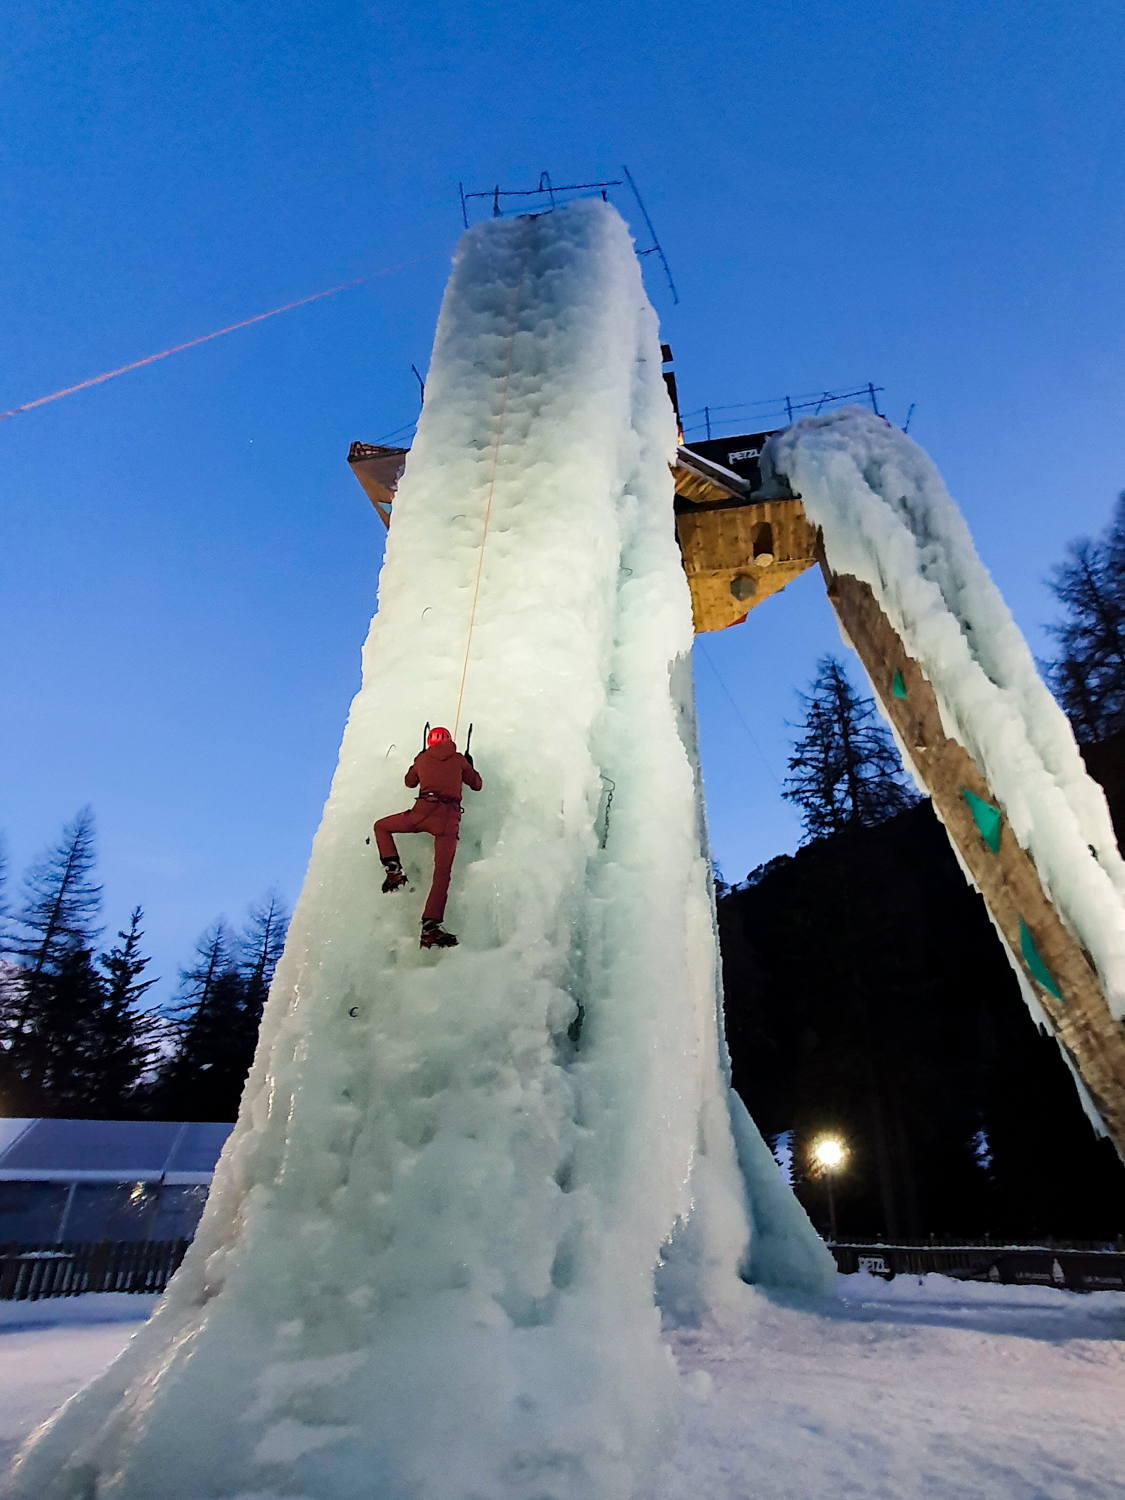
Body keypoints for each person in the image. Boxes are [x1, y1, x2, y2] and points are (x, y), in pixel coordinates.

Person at [373, 726, 482, 949]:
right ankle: (430, 928)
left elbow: (409, 782)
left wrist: (418, 760)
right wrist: (469, 766)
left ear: (430, 742)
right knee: (441, 874)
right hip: (448, 821)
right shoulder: (459, 760)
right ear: (450, 740)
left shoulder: (423, 759)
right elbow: (477, 785)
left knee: (381, 827)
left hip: (422, 813)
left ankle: (393, 870)